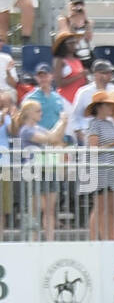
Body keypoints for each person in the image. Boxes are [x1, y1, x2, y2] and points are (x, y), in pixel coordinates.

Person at [15, 97, 70, 240]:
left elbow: (55, 137)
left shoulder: (39, 128)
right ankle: (34, 240)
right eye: (38, 111)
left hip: (48, 170)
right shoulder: (25, 131)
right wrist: (62, 122)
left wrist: (63, 124)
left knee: (49, 209)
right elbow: (51, 139)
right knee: (36, 209)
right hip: (34, 172)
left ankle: (49, 240)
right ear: (29, 113)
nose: (41, 113)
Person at [83, 86, 114, 238]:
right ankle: (93, 239)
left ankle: (111, 238)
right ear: (100, 107)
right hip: (101, 169)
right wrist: (113, 144)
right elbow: (93, 148)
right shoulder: (94, 124)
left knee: (112, 207)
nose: (112, 107)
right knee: (100, 207)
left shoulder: (110, 124)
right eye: (108, 105)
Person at [57, 0, 95, 68]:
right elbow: (70, 39)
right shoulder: (63, 20)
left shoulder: (88, 22)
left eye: (80, 5)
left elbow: (88, 38)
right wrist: (72, 20)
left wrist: (85, 19)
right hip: (70, 55)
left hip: (86, 56)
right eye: (75, 4)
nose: (78, 7)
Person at [30, 63, 71, 129]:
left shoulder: (58, 97)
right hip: (39, 137)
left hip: (56, 137)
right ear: (36, 78)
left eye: (46, 76)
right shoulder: (30, 98)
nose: (43, 79)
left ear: (52, 76)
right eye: (40, 77)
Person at [52, 31, 88, 104]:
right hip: (65, 100)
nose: (74, 45)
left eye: (75, 42)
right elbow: (59, 83)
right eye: (70, 43)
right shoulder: (59, 61)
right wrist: (79, 76)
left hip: (78, 100)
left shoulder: (78, 60)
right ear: (63, 45)